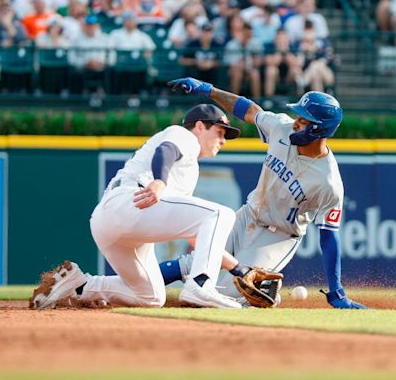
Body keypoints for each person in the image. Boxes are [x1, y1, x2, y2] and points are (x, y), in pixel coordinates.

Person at [164, 76, 368, 309]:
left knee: (224, 294)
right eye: (298, 117)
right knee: (194, 263)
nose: (295, 123)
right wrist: (209, 89)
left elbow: (329, 236)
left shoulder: (328, 182)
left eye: (303, 120)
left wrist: (336, 291)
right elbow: (248, 109)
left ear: (319, 129)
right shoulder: (281, 127)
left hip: (278, 237)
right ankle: (129, 288)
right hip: (247, 216)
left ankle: (262, 293)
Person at [29, 103, 243, 310]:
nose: (223, 141)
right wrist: (160, 180)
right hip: (131, 202)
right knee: (221, 213)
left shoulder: (189, 170)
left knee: (151, 297)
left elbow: (196, 237)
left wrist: (239, 269)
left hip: (115, 222)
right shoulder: (183, 135)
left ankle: (79, 286)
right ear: (199, 126)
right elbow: (166, 151)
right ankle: (201, 284)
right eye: (220, 132)